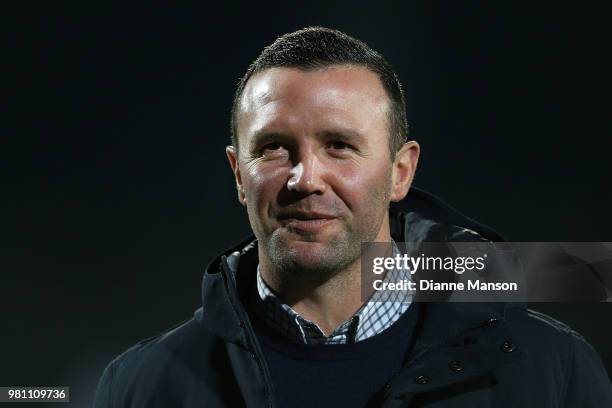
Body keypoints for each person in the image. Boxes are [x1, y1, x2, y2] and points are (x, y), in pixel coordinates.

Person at [93, 27, 612, 407]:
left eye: (340, 146)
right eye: (275, 148)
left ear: (400, 172)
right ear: (237, 173)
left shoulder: (553, 370)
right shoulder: (141, 387)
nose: (305, 179)